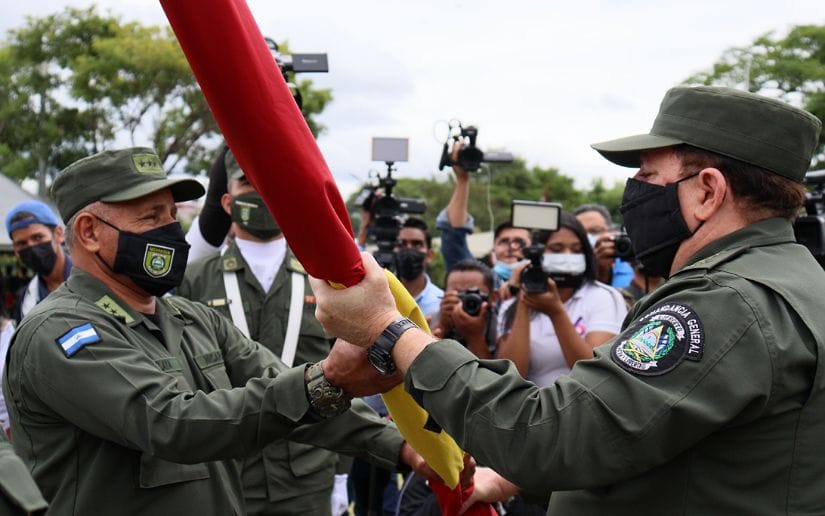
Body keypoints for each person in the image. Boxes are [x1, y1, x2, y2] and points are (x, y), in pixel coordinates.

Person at [310, 86, 825, 515]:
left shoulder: (725, 303)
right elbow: (663, 436)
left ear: (708, 191)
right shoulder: (794, 282)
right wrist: (512, 479)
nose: (635, 191)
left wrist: (391, 331)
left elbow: (551, 437)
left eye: (648, 176)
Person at [2, 147, 422, 515]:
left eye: (172, 215)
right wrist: (324, 381)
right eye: (151, 217)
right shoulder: (63, 331)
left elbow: (282, 386)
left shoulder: (191, 319)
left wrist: (406, 449)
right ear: (90, 232)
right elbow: (171, 422)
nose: (170, 230)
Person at [177, 151, 356, 515]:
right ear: (227, 202)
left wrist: (342, 472)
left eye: (269, 179)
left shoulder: (326, 276)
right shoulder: (194, 280)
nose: (260, 189)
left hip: (307, 472)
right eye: (247, 181)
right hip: (226, 473)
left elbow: (348, 377)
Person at [498, 212, 627, 387]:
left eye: (576, 250)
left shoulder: (604, 297)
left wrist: (556, 313)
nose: (568, 256)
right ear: (537, 254)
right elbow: (510, 377)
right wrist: (524, 303)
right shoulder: (510, 305)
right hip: (532, 403)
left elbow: (594, 373)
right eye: (557, 249)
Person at [435, 144, 532, 286]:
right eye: (504, 242)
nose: (511, 247)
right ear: (493, 251)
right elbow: (453, 238)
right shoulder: (484, 284)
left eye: (520, 242)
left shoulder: (551, 285)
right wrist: (463, 180)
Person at [5, 200, 72, 323]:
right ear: (16, 250)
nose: (32, 247)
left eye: (38, 237)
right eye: (22, 243)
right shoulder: (26, 301)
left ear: (58, 234)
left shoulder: (94, 276)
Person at [431, 259, 497, 359]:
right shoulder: (434, 317)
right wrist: (442, 326)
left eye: (474, 294)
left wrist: (475, 337)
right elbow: (423, 361)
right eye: (459, 294)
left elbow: (495, 368)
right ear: (444, 295)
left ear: (493, 297)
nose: (467, 301)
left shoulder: (501, 324)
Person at [572, 203, 634, 288]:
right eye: (581, 233)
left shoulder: (632, 265)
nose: (588, 237)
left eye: (596, 230)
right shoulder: (570, 271)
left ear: (611, 232)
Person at [395, 218, 444, 320]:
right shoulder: (382, 297)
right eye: (402, 244)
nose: (409, 248)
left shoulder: (440, 303)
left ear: (429, 255)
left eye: (416, 244)